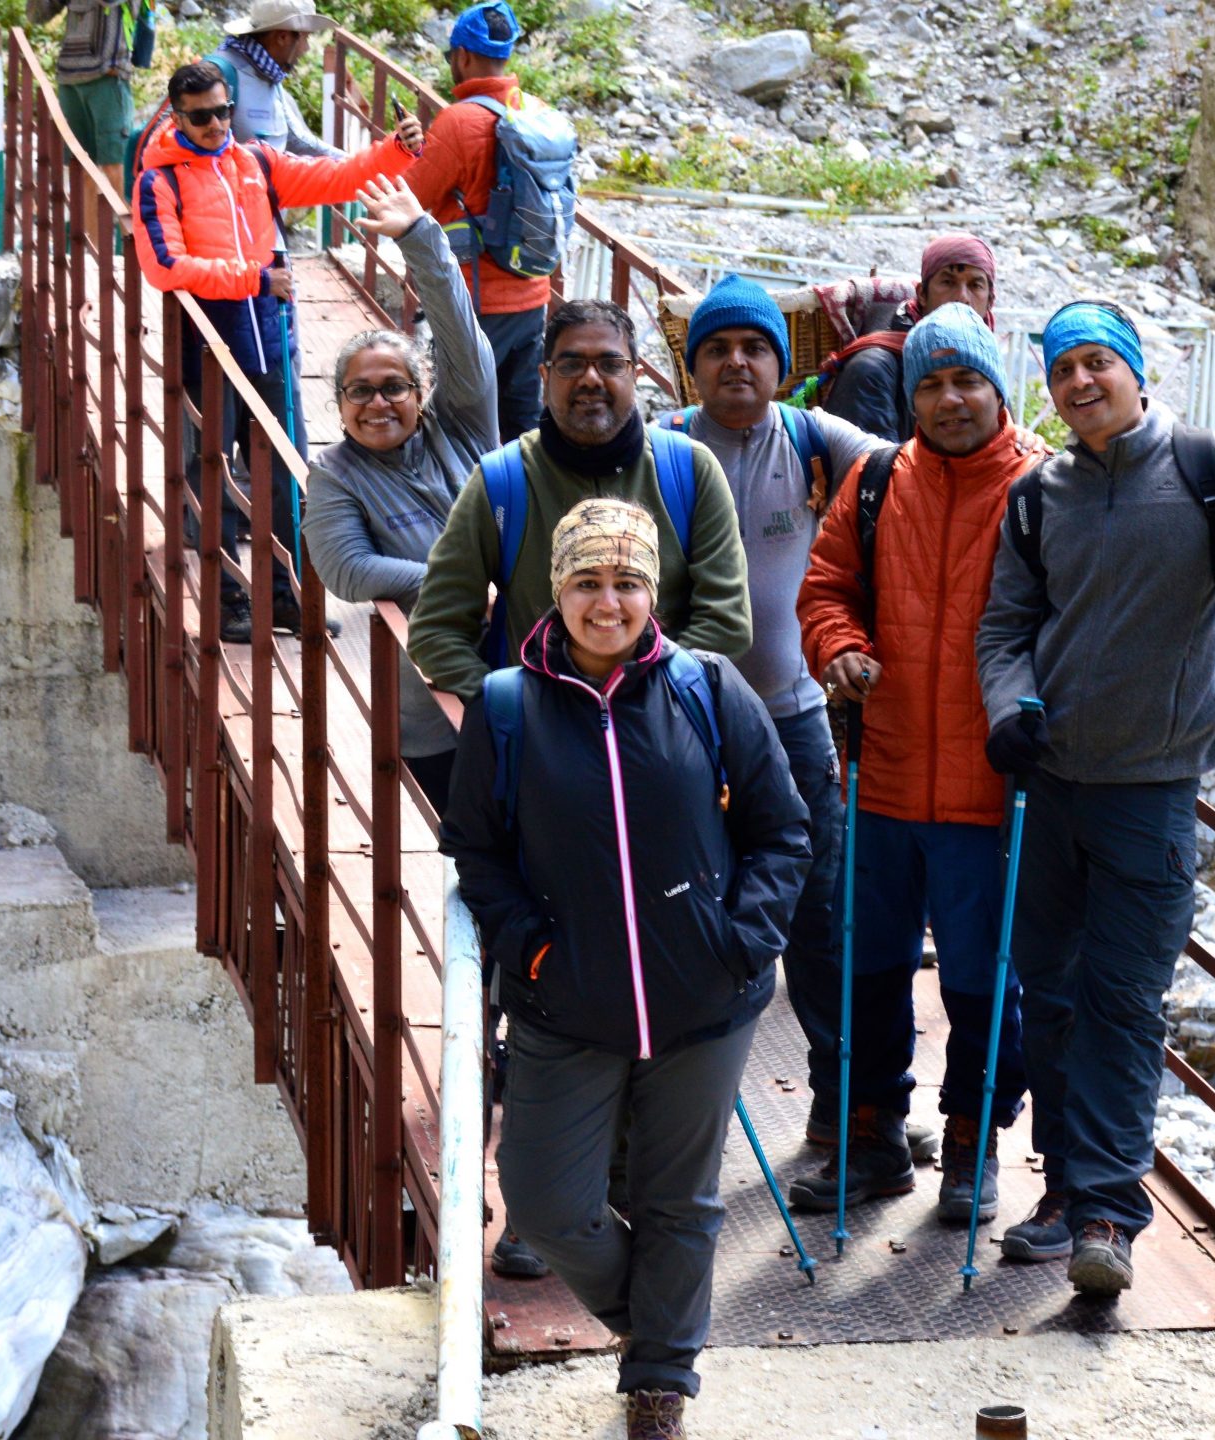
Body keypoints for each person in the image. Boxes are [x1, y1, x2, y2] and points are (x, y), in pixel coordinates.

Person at [972, 298, 1215, 1297]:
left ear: (1138, 373)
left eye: (1098, 363)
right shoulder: (1036, 493)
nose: (1080, 384)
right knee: (1048, 993)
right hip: (1050, 782)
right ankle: (1064, 1186)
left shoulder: (1209, 470)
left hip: (1151, 788)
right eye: (1062, 372)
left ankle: (1106, 1210)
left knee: (1122, 998)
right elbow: (1003, 625)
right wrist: (1009, 706)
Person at [440, 497, 808, 1440]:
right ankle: (658, 1325)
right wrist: (534, 945)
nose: (609, 603)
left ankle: (660, 1384)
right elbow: (476, 851)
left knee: (678, 1197)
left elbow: (783, 829)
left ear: (655, 590)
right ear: (555, 590)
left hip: (703, 1000)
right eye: (588, 582)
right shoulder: (505, 706)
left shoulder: (708, 688)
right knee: (545, 1202)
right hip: (566, 1001)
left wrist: (742, 939)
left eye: (628, 582)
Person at [660, 275, 944, 1168]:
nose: (737, 363)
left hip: (794, 720)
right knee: (684, 914)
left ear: (783, 367)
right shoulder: (661, 447)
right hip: (683, 722)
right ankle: (670, 1129)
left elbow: (923, 474)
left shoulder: (818, 441)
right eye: (718, 349)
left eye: (754, 348)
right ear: (693, 366)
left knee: (825, 921)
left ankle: (854, 1118)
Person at [786, 303, 1053, 1226]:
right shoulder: (873, 482)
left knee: (985, 978)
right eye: (930, 384)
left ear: (997, 388)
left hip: (993, 784)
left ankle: (973, 1147)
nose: (948, 399)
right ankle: (873, 1138)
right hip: (885, 769)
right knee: (870, 963)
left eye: (966, 380)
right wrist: (839, 649)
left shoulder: (1042, 491)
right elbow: (825, 589)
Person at [134, 60, 422, 642]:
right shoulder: (157, 181)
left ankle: (287, 596)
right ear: (178, 116)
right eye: (201, 117)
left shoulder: (257, 161)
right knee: (213, 474)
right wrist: (254, 279)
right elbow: (165, 267)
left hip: (270, 338)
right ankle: (229, 604)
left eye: (222, 112)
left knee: (286, 476)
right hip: (207, 345)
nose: (216, 125)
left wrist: (395, 150)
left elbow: (335, 178)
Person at [408, 298, 752, 709]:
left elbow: (726, 621)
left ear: (636, 375)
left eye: (610, 364)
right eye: (570, 365)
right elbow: (434, 630)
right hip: (541, 746)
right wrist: (511, 706)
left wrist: (648, 703)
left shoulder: (691, 472)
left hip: (664, 735)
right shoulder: (501, 482)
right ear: (544, 376)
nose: (591, 379)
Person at [300, 175, 495, 811]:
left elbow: (464, 338)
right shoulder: (334, 474)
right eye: (360, 391)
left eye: (394, 387)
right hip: (430, 712)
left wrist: (421, 239)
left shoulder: (460, 426)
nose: (378, 403)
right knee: (466, 856)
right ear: (340, 403)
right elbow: (347, 570)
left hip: (523, 674)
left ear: (421, 391)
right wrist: (453, 582)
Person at [404, 0, 554, 443]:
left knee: (459, 424)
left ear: (463, 56)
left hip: (475, 301)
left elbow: (412, 197)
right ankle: (525, 508)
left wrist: (408, 150)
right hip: (532, 293)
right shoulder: (536, 111)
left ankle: (469, 511)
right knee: (521, 426)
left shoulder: (457, 122)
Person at [817, 233, 999, 444]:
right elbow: (870, 470)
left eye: (976, 285)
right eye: (948, 282)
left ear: (990, 302)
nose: (962, 298)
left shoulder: (987, 367)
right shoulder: (871, 370)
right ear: (921, 294)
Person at [26, 0, 138, 223]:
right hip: (71, 76)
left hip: (108, 75)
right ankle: (90, 251)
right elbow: (37, 15)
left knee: (114, 166)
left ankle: (130, 250)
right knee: (82, 168)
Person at [215, 0, 339, 157]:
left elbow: (295, 139)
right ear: (283, 37)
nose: (306, 49)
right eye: (305, 39)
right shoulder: (220, 74)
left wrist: (351, 163)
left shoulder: (269, 72)